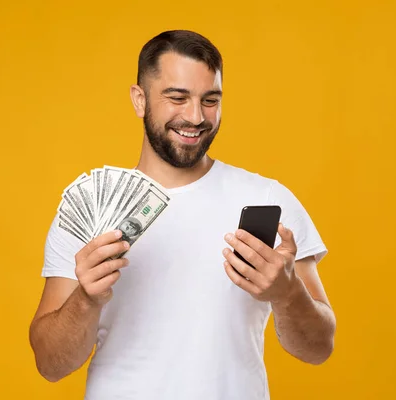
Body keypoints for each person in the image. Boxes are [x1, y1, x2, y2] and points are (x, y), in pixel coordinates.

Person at [29, 29, 336, 400]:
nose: (195, 117)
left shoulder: (267, 200)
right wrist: (86, 299)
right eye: (178, 98)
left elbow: (319, 348)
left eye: (210, 100)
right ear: (139, 100)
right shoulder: (91, 207)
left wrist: (287, 294)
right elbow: (50, 363)